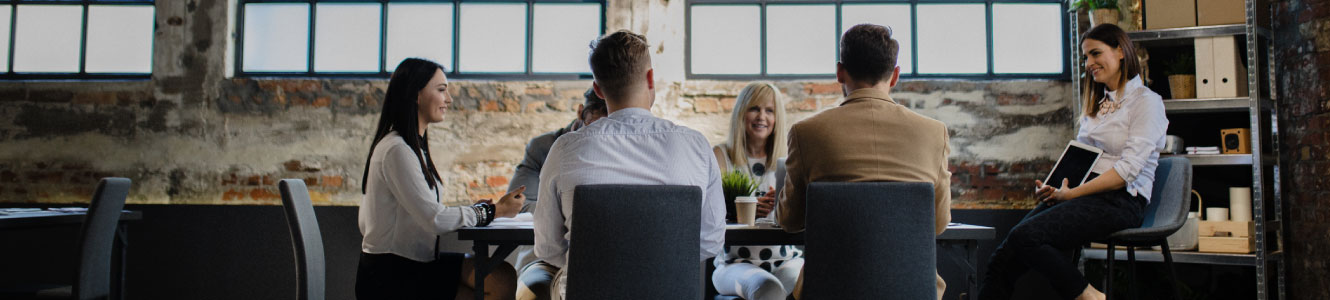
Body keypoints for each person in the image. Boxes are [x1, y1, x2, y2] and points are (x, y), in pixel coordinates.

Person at [977, 23, 1168, 300]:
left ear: (1120, 51)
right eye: (1085, 58)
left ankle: (1089, 296)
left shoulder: (1146, 102)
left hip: (1121, 200)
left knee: (1024, 237)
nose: (1089, 63)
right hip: (1082, 194)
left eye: (1095, 54)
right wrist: (1054, 188)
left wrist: (1071, 195)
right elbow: (1080, 158)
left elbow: (1126, 172)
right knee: (1001, 260)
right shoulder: (1098, 105)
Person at [532, 30, 726, 300]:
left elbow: (547, 247)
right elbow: (711, 240)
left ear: (598, 89)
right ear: (650, 78)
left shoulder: (566, 149)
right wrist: (656, 265)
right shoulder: (695, 146)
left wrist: (600, 266)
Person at [777, 24, 953, 300]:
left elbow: (789, 221)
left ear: (839, 72)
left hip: (829, 290)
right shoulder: (934, 132)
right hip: (912, 290)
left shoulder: (806, 133)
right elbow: (938, 223)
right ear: (895, 76)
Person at [357, 58, 522, 300]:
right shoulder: (397, 150)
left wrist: (479, 210)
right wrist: (493, 211)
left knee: (501, 277)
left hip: (415, 266)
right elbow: (434, 219)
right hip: (392, 277)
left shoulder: (412, 148)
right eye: (442, 90)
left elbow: (431, 212)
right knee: (499, 280)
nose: (449, 99)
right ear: (416, 94)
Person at [509, 88, 608, 300]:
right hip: (544, 258)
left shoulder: (616, 145)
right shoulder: (544, 147)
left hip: (600, 258)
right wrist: (572, 212)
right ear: (581, 113)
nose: (598, 135)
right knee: (534, 289)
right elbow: (520, 205)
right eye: (594, 124)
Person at [710, 82, 803, 300]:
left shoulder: (789, 160)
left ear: (777, 118)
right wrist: (743, 213)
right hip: (735, 263)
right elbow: (709, 215)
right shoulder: (721, 156)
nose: (762, 116)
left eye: (769, 111)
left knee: (818, 278)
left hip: (785, 259)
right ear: (741, 113)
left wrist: (784, 205)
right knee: (768, 289)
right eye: (754, 108)